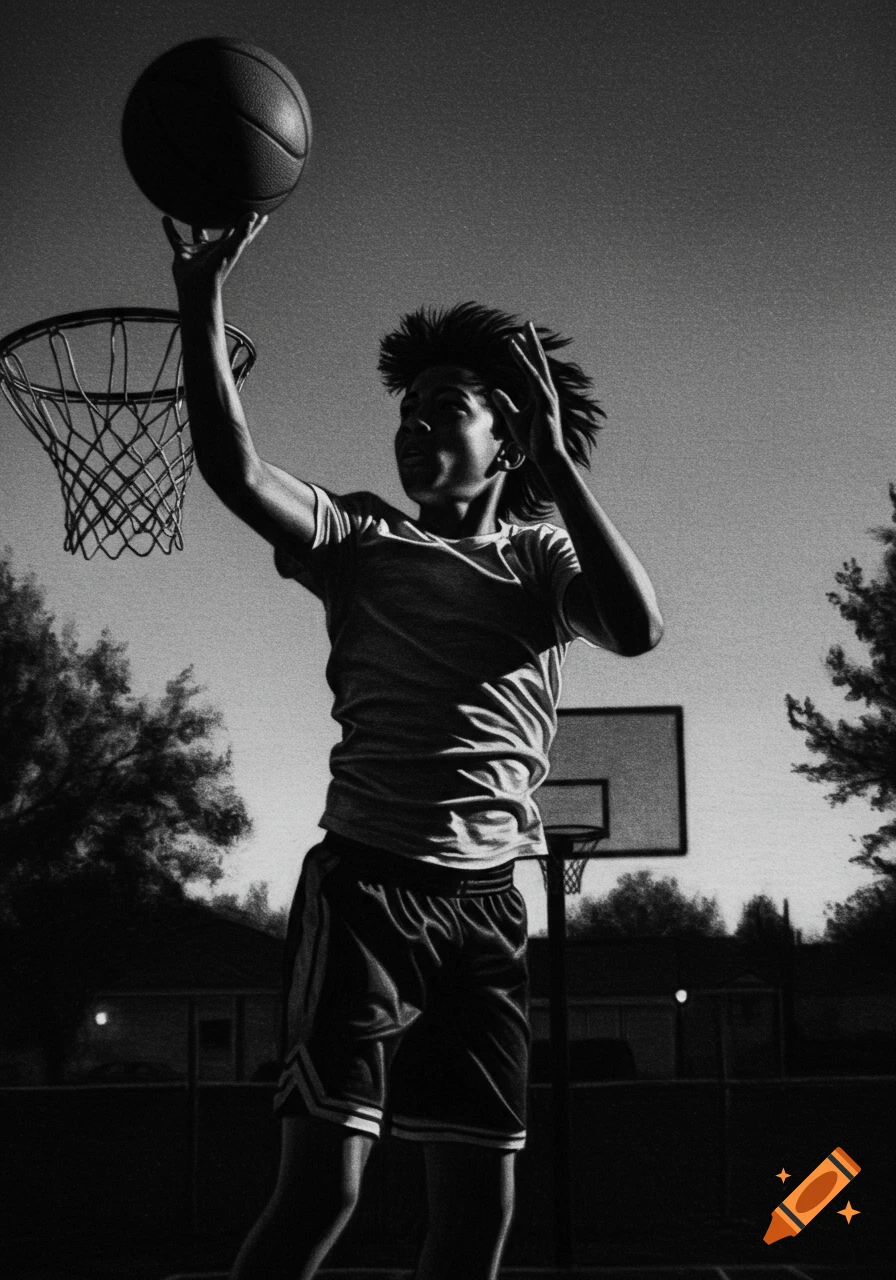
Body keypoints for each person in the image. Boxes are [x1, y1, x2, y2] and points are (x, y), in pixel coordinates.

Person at [164, 211, 663, 1280]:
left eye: (444, 407)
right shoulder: (360, 537)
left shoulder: (539, 558)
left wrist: (560, 465)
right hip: (367, 894)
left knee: (476, 1219)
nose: (413, 424)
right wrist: (201, 296)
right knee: (323, 1191)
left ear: (506, 441)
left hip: (486, 908)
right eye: (404, 409)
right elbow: (233, 468)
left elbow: (636, 629)